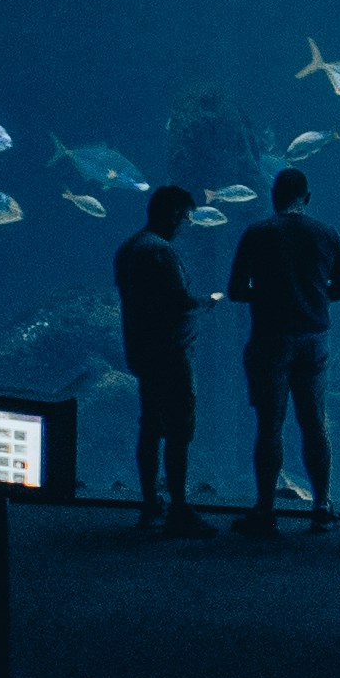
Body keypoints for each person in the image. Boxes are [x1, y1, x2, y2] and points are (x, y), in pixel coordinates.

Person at [222, 166, 340, 535]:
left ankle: (265, 510)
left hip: (270, 338)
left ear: (273, 196)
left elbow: (235, 290)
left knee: (269, 425)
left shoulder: (258, 232)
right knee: (314, 423)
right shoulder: (327, 233)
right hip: (314, 338)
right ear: (307, 198)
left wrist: (270, 296)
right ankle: (322, 506)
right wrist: (312, 298)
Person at [112, 186, 213, 534]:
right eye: (185, 217)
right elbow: (177, 301)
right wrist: (205, 303)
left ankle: (150, 504)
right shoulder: (160, 251)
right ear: (172, 214)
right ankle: (179, 509)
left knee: (150, 428)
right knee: (179, 431)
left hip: (142, 350)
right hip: (170, 353)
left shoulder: (129, 247)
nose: (186, 225)